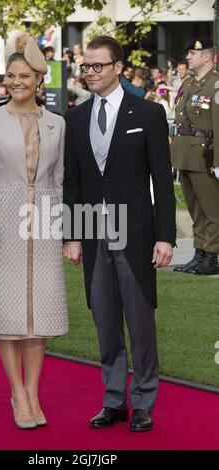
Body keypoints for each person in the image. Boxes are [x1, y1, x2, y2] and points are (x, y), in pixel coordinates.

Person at [63, 35, 175, 432]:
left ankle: (143, 401)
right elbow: (73, 182)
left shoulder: (147, 113)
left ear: (118, 68)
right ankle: (114, 400)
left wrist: (166, 236)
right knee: (106, 322)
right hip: (93, 234)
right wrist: (72, 235)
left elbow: (163, 180)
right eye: (86, 66)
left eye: (98, 66)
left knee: (140, 322)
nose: (90, 72)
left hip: (137, 233)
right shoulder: (74, 119)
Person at [0, 32, 68, 429]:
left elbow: (58, 182)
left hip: (45, 217)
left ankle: (34, 393)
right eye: (10, 75)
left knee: (40, 312)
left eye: (24, 75)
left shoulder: (58, 123)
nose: (17, 82)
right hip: (4, 215)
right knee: (6, 309)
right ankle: (17, 394)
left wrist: (64, 231)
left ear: (39, 79)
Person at [172, 38, 219, 275]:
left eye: (192, 53)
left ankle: (211, 256)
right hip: (186, 155)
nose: (188, 57)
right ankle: (199, 253)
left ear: (208, 56)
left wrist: (218, 161)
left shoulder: (216, 84)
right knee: (196, 210)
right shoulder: (190, 84)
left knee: (212, 210)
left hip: (205, 156)